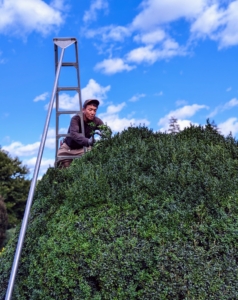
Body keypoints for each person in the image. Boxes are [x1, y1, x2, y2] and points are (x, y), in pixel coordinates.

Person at [57, 99, 103, 168]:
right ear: (83, 110)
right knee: (61, 166)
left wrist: (104, 133)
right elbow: (74, 134)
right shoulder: (76, 119)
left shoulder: (97, 121)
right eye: (90, 110)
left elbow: (104, 129)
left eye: (95, 110)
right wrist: (88, 141)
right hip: (68, 148)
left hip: (83, 149)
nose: (93, 112)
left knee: (93, 159)